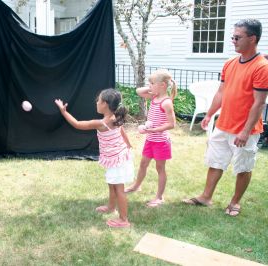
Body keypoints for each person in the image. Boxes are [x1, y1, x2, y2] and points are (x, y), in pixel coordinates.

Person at [183, 19, 268, 217]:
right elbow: (221, 92)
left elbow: (259, 103)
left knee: (243, 166)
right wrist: (210, 113)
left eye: (237, 37)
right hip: (223, 124)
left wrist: (246, 131)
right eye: (233, 37)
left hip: (245, 129)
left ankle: (235, 202)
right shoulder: (229, 63)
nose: (233, 41)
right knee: (215, 161)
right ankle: (206, 196)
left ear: (252, 38)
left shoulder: (262, 67)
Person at [55, 88, 134, 228]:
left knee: (119, 189)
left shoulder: (102, 123)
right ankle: (111, 206)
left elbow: (77, 124)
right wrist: (128, 145)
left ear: (105, 104)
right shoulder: (115, 117)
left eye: (98, 100)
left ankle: (124, 220)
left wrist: (64, 112)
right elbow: (122, 131)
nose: (96, 102)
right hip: (117, 157)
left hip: (118, 160)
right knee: (112, 183)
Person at [124, 69, 177, 207]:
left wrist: (153, 130)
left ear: (163, 86)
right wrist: (153, 87)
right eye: (150, 83)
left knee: (160, 168)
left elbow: (172, 124)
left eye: (152, 83)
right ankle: (136, 186)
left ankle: (159, 197)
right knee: (143, 164)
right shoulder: (154, 97)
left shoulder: (166, 102)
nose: (150, 86)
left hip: (161, 142)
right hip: (150, 140)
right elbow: (138, 91)